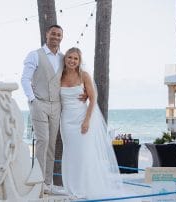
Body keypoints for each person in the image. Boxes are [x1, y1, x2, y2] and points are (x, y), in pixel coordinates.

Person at [60, 47, 131, 200]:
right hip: (65, 120)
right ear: (65, 59)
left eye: (75, 58)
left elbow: (93, 99)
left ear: (79, 61)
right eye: (70, 57)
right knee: (69, 153)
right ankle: (70, 187)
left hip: (82, 118)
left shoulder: (84, 75)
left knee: (83, 154)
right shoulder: (59, 76)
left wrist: (86, 121)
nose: (72, 61)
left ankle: (82, 187)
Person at [21, 24, 68, 195]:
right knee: (42, 142)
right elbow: (25, 79)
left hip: (56, 105)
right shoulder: (34, 55)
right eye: (53, 34)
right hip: (39, 103)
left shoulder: (63, 58)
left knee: (51, 145)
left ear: (62, 37)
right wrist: (32, 100)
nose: (56, 37)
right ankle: (38, 183)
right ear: (47, 35)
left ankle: (48, 184)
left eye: (59, 35)